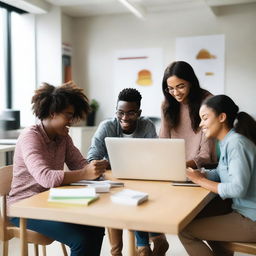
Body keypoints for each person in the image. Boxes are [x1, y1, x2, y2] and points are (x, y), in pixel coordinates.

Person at [7, 81, 108, 256]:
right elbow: (45, 177)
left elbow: (80, 164)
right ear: (53, 113)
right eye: (68, 115)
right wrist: (85, 173)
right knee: (81, 239)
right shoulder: (31, 137)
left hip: (50, 201)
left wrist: (96, 169)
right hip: (23, 207)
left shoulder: (63, 137)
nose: (71, 121)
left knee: (96, 225)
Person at [87, 88, 169, 256]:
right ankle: (130, 248)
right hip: (115, 182)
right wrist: (109, 164)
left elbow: (154, 158)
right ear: (116, 111)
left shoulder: (146, 125)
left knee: (139, 196)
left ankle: (144, 246)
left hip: (142, 181)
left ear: (139, 112)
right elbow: (92, 157)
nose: (124, 118)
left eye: (131, 113)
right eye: (120, 113)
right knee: (116, 200)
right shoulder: (107, 126)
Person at [179, 95, 256, 256]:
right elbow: (223, 173)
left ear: (222, 117)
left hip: (251, 219)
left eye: (205, 118)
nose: (201, 124)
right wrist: (201, 174)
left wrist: (199, 180)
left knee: (184, 230)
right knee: (208, 222)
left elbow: (237, 188)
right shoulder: (228, 142)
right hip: (244, 213)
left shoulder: (236, 144)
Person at [160, 61, 216, 169]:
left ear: (190, 82)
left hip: (201, 170)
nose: (176, 93)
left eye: (180, 86)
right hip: (172, 168)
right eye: (171, 88)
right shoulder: (166, 105)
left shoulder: (208, 102)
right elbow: (163, 142)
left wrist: (180, 166)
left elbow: (206, 155)